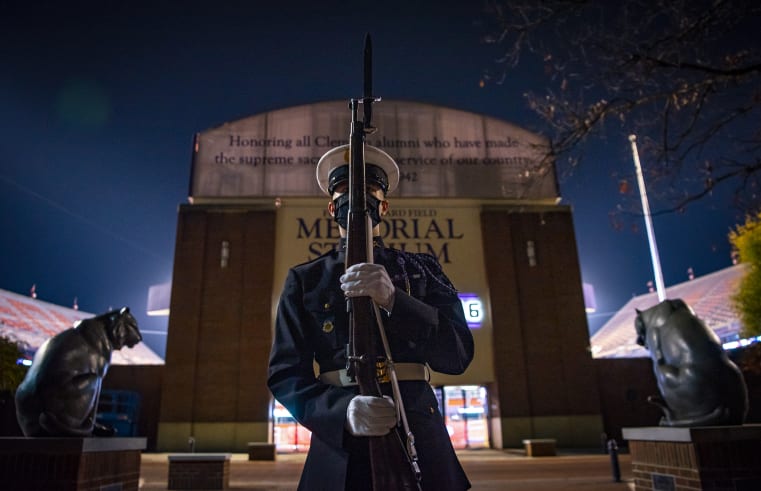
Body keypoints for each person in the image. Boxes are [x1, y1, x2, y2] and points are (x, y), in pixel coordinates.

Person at [268, 144, 474, 491]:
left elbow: (457, 356)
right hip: (341, 451)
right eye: (347, 192)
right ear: (332, 207)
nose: (358, 200)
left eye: (368, 191)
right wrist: (341, 411)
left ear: (385, 206)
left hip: (417, 433)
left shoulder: (422, 269)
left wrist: (396, 301)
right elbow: (285, 375)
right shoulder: (307, 280)